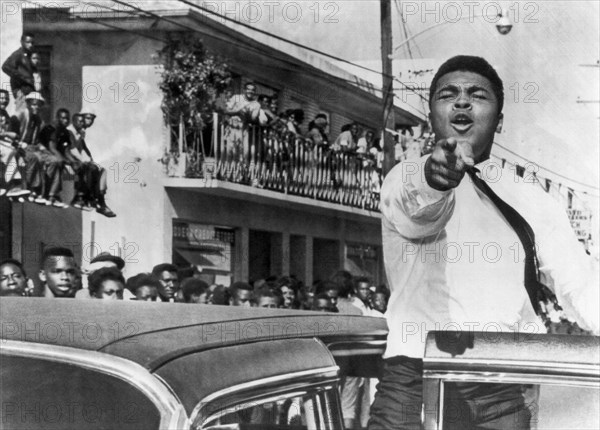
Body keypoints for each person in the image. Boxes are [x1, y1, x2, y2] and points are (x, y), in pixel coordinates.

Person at [370, 55, 600, 430]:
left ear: (500, 119)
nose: (462, 102)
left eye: (477, 94)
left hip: (500, 387)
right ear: (431, 115)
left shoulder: (531, 194)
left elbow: (580, 282)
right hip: (414, 379)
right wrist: (438, 178)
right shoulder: (408, 174)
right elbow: (419, 209)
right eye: (448, 94)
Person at [2, 33, 35, 113]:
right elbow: (5, 67)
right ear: (22, 42)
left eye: (32, 43)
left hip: (28, 91)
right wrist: (22, 78)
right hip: (21, 91)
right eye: (28, 42)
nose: (30, 45)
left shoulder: (29, 55)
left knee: (30, 114)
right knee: (22, 113)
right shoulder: (18, 54)